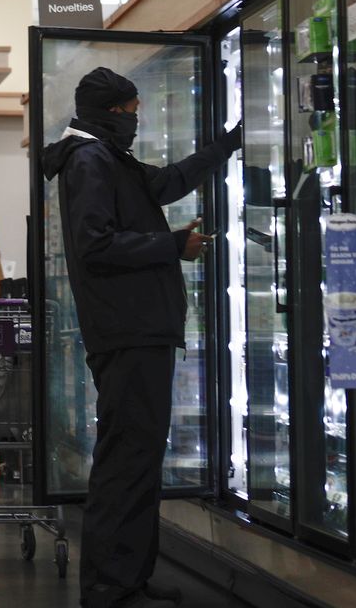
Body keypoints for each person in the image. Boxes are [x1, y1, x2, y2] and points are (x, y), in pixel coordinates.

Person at [41, 67, 242, 608]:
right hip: (126, 330)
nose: (137, 119)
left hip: (135, 330)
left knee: (137, 459)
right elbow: (95, 246)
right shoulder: (89, 160)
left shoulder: (108, 157)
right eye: (131, 111)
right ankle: (111, 588)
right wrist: (171, 245)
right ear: (110, 112)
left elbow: (165, 184)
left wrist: (230, 144)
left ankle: (129, 577)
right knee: (127, 461)